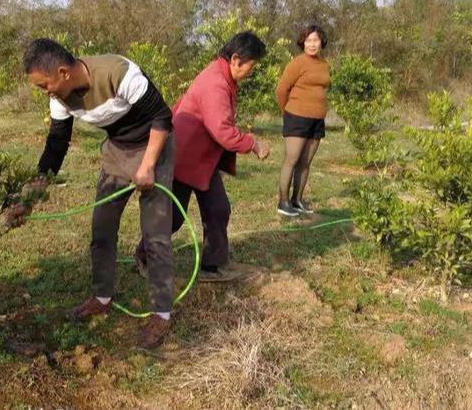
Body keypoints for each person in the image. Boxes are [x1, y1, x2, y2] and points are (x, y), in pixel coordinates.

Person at [19, 39, 175, 350]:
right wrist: (32, 193)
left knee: (156, 236)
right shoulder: (60, 99)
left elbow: (163, 118)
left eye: (44, 84)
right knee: (102, 229)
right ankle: (102, 297)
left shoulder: (120, 74)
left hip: (154, 149)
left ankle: (161, 314)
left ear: (62, 72)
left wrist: (147, 167)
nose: (45, 92)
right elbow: (56, 145)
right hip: (116, 151)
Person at [135, 31, 271, 282]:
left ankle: (213, 266)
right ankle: (144, 255)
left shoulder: (221, 75)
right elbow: (222, 131)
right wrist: (253, 144)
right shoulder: (216, 83)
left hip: (202, 159)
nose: (251, 72)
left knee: (217, 209)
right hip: (185, 157)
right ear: (236, 60)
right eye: (251, 66)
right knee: (173, 217)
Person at [275, 24, 330, 217]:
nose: (312, 44)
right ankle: (282, 202)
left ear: (321, 42)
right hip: (296, 117)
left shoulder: (324, 64)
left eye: (315, 40)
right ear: (303, 43)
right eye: (308, 40)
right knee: (292, 159)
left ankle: (297, 200)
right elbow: (281, 90)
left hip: (317, 120)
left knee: (306, 162)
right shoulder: (298, 63)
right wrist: (287, 112)